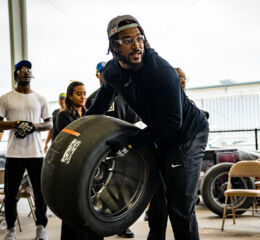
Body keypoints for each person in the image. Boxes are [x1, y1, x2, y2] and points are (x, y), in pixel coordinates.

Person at [86, 15, 209, 240]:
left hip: (187, 136)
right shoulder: (113, 71)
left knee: (179, 207)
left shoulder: (161, 71)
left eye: (139, 38)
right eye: (127, 40)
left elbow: (173, 120)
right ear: (113, 45)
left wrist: (132, 141)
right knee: (158, 202)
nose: (136, 45)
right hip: (162, 133)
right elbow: (101, 103)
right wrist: (81, 129)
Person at [0, 60, 52, 240]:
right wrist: (16, 124)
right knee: (11, 195)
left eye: (28, 69)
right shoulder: (6, 98)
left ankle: (40, 228)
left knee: (40, 193)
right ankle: (11, 230)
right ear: (16, 75)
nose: (26, 72)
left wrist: (33, 126)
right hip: (15, 153)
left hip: (36, 153)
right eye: (22, 69)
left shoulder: (40, 98)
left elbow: (49, 123)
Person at [86, 61, 138, 238]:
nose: (103, 75)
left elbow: (133, 120)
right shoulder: (92, 98)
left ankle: (121, 225)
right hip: (100, 151)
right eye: (100, 72)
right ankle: (96, 223)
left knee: (122, 187)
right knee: (97, 187)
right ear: (97, 75)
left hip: (121, 148)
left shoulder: (125, 95)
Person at [55, 81, 103, 240]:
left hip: (91, 167)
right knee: (73, 208)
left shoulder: (90, 115)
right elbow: (71, 142)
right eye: (78, 93)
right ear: (70, 96)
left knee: (92, 208)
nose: (83, 97)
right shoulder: (62, 116)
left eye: (84, 93)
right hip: (72, 169)